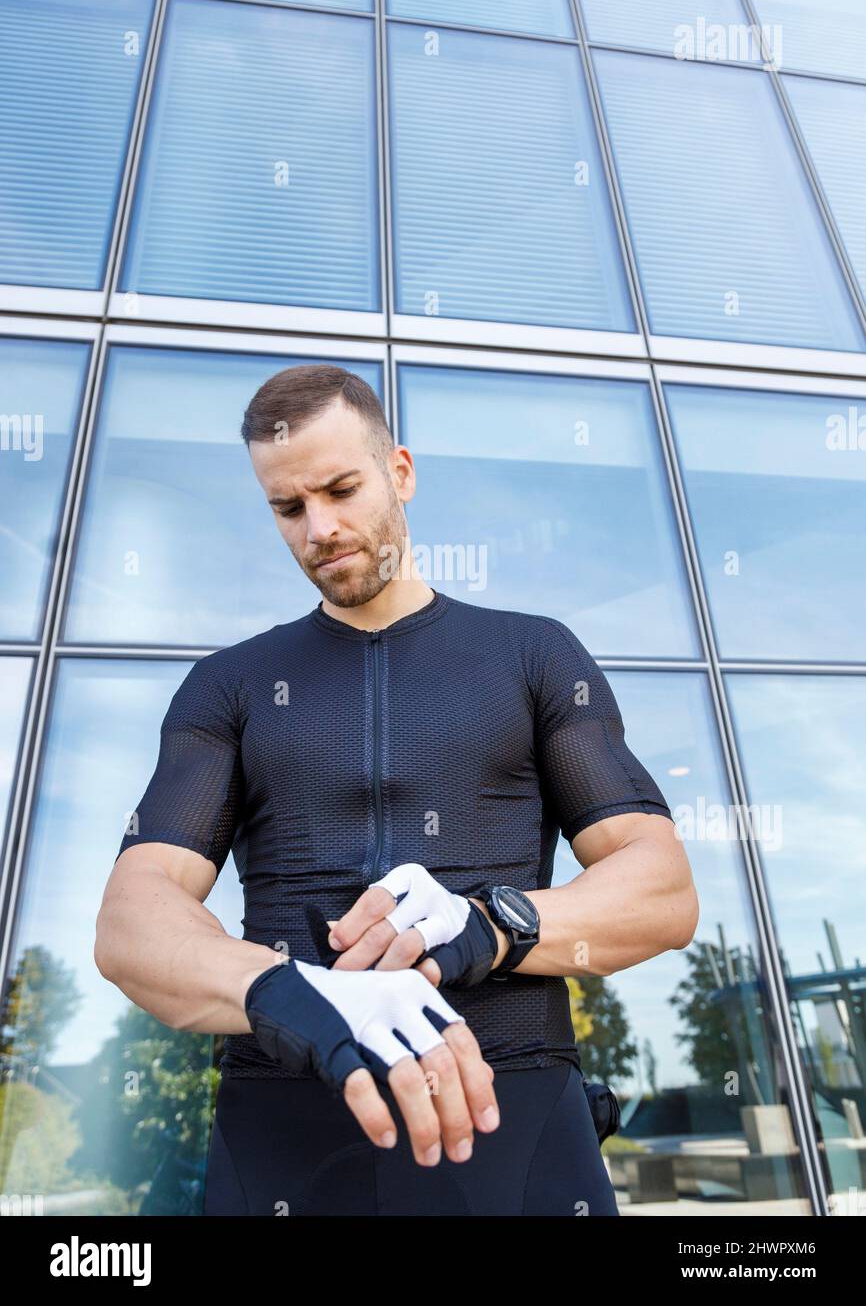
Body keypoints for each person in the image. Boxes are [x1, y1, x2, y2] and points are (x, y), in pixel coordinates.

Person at [94, 364, 699, 1217]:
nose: (321, 528)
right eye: (288, 508)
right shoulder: (227, 685)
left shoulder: (533, 654)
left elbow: (663, 886)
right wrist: (291, 991)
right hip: (284, 1127)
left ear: (401, 472)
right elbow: (131, 919)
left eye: (342, 489)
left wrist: (487, 924)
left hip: (514, 1115)